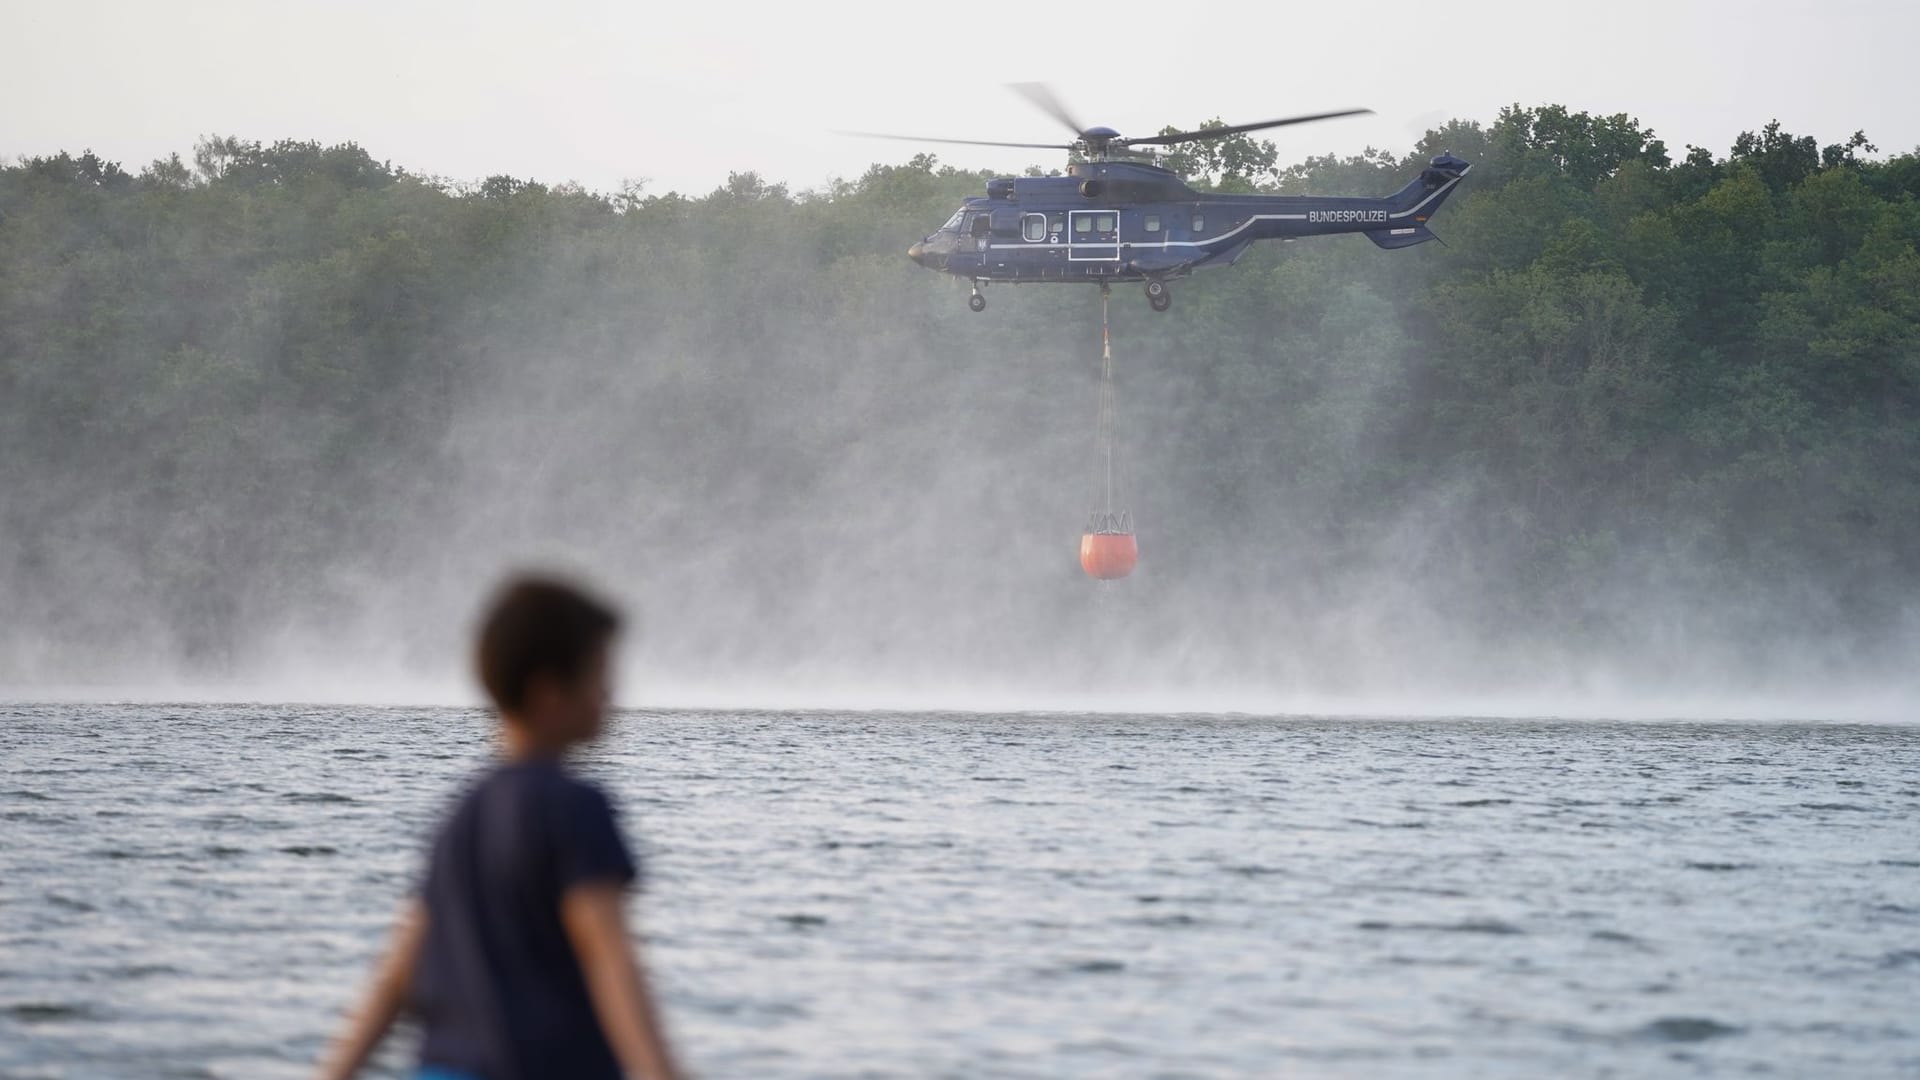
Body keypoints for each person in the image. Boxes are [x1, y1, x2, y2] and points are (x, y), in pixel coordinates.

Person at [317, 575, 682, 1080]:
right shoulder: (575, 806)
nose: (611, 695)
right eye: (600, 675)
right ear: (549, 692)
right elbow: (610, 960)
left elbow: (398, 972)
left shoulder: (461, 813)